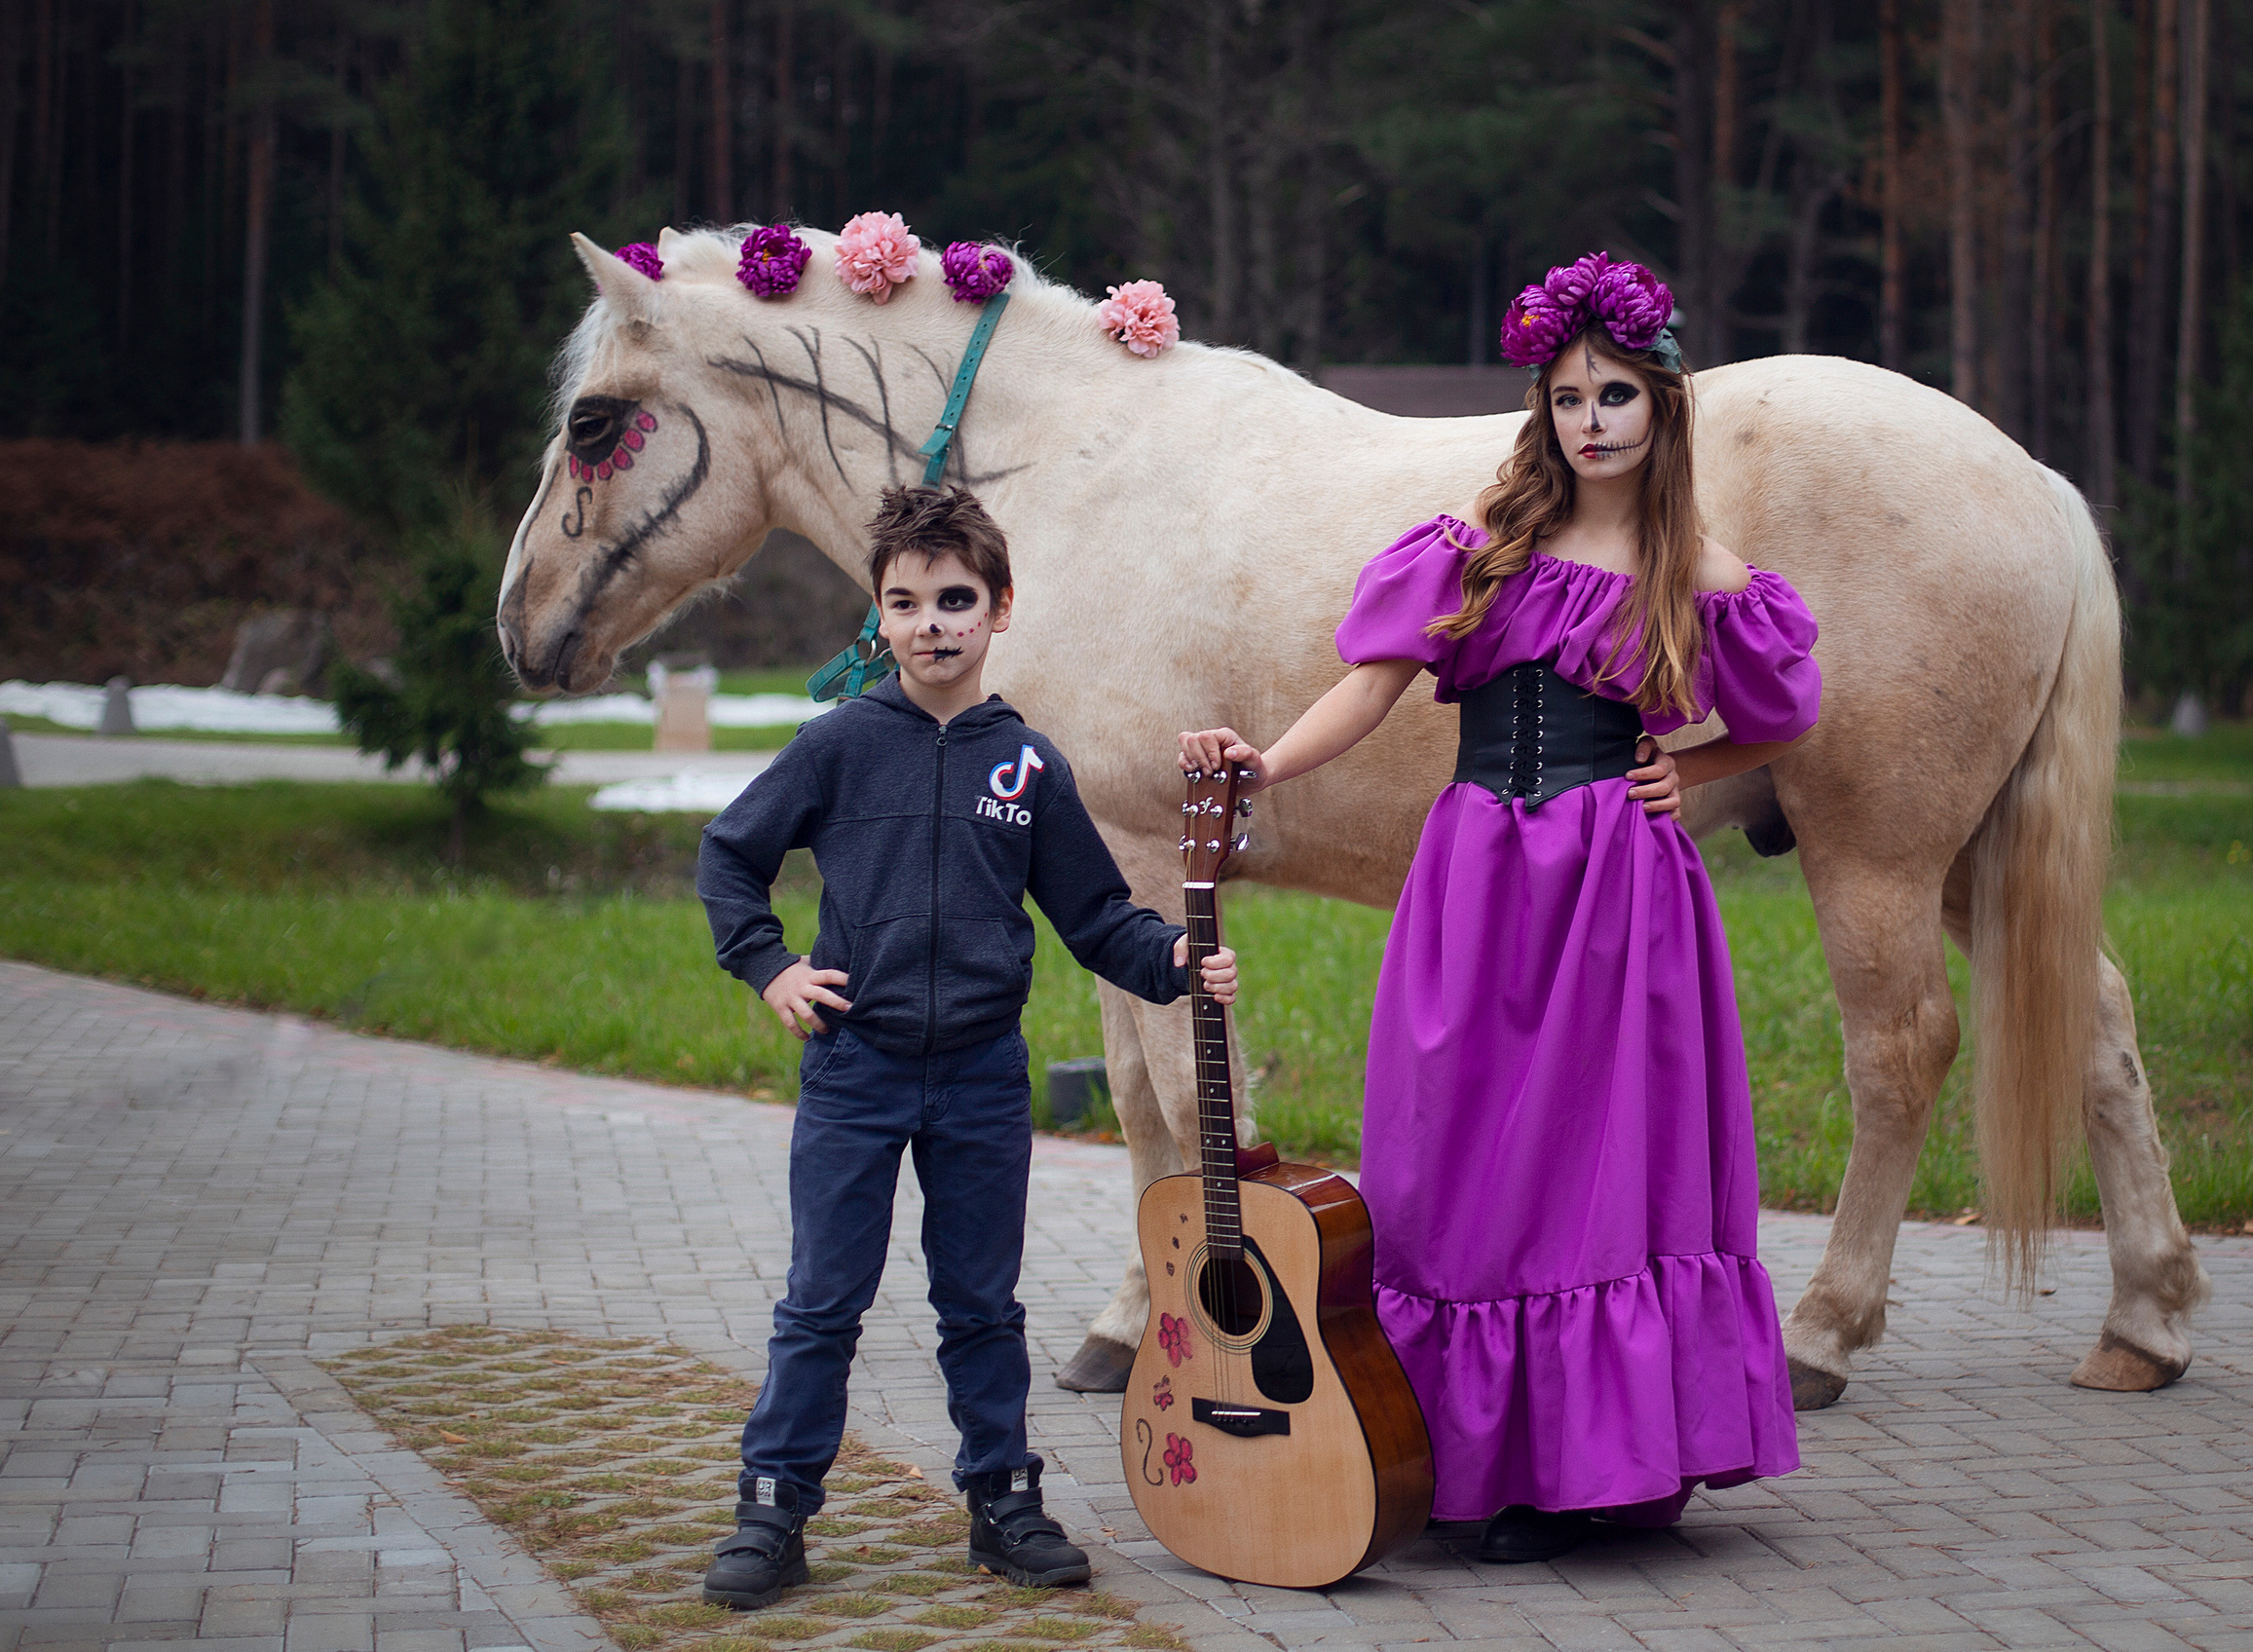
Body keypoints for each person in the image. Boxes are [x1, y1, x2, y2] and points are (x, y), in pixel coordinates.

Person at [1178, 253, 1814, 1564]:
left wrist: (1682, 771)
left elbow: (1785, 706)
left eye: (1619, 396)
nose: (1593, 419)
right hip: (1476, 876)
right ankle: (1463, 1450)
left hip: (1614, 889)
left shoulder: (1683, 556)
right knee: (1456, 1156)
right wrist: (1269, 763)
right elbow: (1370, 685)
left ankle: (1604, 1470)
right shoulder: (1483, 543)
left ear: (1662, 410)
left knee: (1602, 1167)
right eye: (1572, 395)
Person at [698, 485, 1239, 1608]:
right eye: (905, 603)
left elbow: (1095, 917)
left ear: (999, 609)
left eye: (955, 600)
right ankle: (772, 1506)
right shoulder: (839, 745)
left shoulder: (1027, 767)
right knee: (821, 1303)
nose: (931, 622)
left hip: (983, 1080)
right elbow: (729, 854)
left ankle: (1002, 1500)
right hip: (856, 1071)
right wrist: (770, 965)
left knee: (982, 1307)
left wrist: (1175, 961)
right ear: (879, 618)